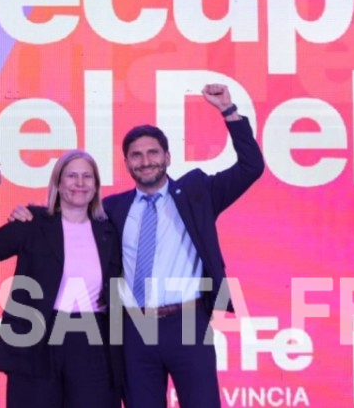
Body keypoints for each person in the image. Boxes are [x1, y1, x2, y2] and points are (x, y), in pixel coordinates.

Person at [107, 83, 264, 408]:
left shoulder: (197, 193)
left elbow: (251, 167)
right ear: (127, 163)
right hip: (134, 329)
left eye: (153, 153)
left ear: (167, 157)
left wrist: (229, 111)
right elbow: (68, 217)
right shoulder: (113, 208)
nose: (145, 161)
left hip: (187, 324)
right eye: (136, 155)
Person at [0, 150, 124, 408]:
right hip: (36, 340)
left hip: (93, 342)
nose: (80, 183)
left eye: (87, 177)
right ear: (58, 183)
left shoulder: (112, 229)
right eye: (71, 176)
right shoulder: (33, 222)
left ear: (96, 186)